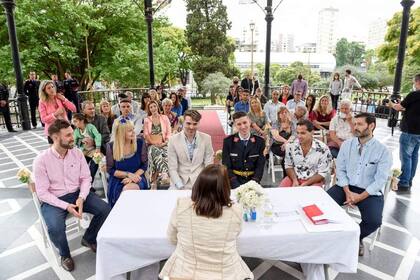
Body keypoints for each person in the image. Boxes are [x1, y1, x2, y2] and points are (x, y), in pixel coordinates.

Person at [33, 119, 111, 271]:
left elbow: (86, 178)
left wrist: (81, 197)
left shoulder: (77, 153)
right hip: (54, 200)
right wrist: (66, 206)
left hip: (78, 193)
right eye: (68, 135)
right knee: (55, 227)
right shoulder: (41, 160)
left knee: (106, 209)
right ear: (55, 138)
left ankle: (89, 238)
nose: (73, 137)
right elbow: (42, 192)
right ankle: (65, 254)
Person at [160, 164, 253, 280]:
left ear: (198, 184)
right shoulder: (236, 211)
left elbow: (172, 238)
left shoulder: (182, 206)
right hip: (225, 274)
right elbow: (236, 235)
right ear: (225, 188)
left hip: (184, 273)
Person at [327, 113, 392, 256]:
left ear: (371, 126)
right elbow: (341, 169)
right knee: (323, 206)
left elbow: (380, 180)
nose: (355, 127)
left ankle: (357, 236)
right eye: (354, 124)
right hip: (345, 186)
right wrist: (347, 191)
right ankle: (330, 236)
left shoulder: (383, 151)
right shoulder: (347, 145)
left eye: (360, 124)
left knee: (374, 221)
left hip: (369, 191)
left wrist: (360, 196)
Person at [388, 74, 420, 192]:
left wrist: (392, 104)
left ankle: (404, 182)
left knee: (406, 157)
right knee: (414, 156)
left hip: (409, 130)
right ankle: (409, 179)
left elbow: (398, 107)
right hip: (418, 132)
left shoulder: (414, 94)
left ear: (417, 82)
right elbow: (412, 108)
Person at [106, 118, 148, 207]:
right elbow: (110, 170)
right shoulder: (111, 146)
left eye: (133, 129)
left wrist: (133, 177)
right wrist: (128, 174)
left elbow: (144, 165)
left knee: (130, 189)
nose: (133, 132)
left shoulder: (140, 142)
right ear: (121, 134)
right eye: (130, 130)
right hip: (118, 179)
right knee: (124, 193)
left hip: (137, 176)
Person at [168, 110, 214, 189]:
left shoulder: (206, 138)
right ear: (183, 122)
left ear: (199, 123)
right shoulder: (173, 140)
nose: (191, 127)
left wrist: (205, 183)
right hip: (179, 182)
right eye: (188, 123)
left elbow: (209, 165)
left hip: (200, 181)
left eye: (195, 124)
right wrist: (180, 186)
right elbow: (172, 168)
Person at [279, 120, 332, 187]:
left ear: (312, 132)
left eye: (303, 133)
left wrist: (306, 184)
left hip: (314, 180)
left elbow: (322, 173)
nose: (299, 136)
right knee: (281, 191)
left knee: (311, 194)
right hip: (294, 178)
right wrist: (294, 180)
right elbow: (288, 166)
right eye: (297, 133)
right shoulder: (291, 145)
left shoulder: (323, 148)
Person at [222, 112, 265, 188]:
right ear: (235, 125)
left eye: (245, 122)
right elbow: (226, 166)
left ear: (249, 122)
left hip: (253, 182)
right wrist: (236, 184)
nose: (243, 126)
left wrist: (254, 183)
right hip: (234, 182)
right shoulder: (228, 142)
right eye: (239, 124)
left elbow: (260, 166)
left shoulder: (260, 142)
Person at [143, 100, 172, 188]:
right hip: (152, 144)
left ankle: (154, 179)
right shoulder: (147, 120)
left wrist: (165, 142)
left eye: (154, 106)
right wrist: (154, 143)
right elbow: (146, 135)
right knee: (154, 150)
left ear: (157, 107)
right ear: (149, 109)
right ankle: (164, 173)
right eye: (151, 107)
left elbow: (169, 132)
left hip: (164, 143)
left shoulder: (164, 118)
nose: (153, 108)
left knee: (165, 153)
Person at [72, 113, 102, 181]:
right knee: (81, 166)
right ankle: (85, 183)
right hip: (84, 150)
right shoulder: (76, 131)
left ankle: (90, 182)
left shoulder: (90, 127)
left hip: (95, 149)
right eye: (73, 121)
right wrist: (81, 141)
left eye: (75, 121)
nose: (74, 123)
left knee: (96, 163)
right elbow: (74, 142)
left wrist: (98, 147)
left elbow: (98, 136)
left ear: (82, 121)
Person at [270, 107, 294, 174]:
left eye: (285, 112)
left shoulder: (291, 123)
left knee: (292, 152)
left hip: (289, 145)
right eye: (281, 113)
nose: (284, 114)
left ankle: (293, 174)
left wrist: (287, 143)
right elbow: (276, 136)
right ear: (279, 115)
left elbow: (294, 135)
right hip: (276, 145)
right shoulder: (276, 123)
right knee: (287, 153)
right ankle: (286, 175)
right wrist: (286, 142)